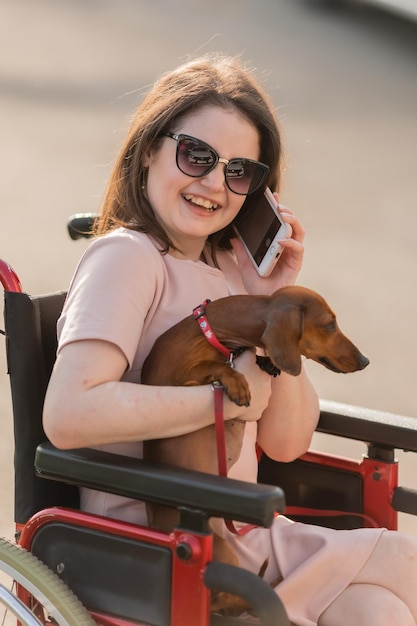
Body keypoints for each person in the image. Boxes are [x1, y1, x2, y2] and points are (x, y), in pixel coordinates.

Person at [43, 53, 417, 626]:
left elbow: (287, 442)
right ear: (149, 149)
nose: (215, 182)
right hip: (158, 545)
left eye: (240, 171)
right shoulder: (129, 258)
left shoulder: (223, 281)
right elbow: (69, 412)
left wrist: (269, 304)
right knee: (406, 561)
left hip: (240, 535)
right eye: (197, 156)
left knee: (381, 610)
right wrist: (212, 402)